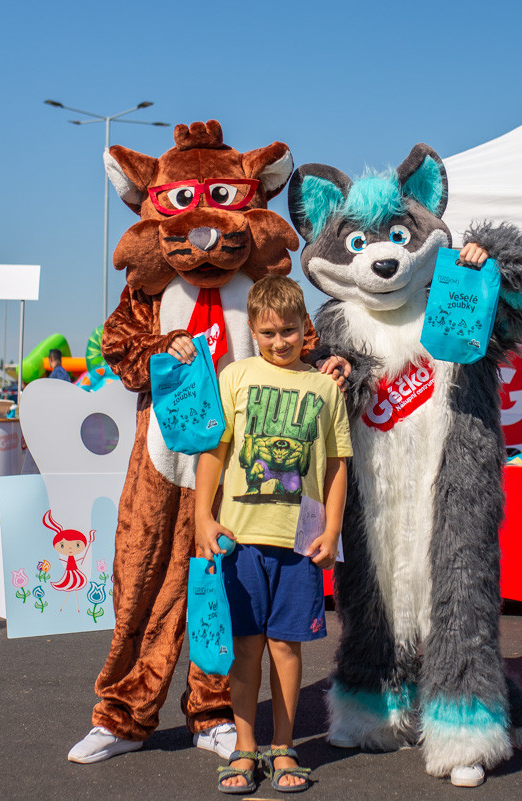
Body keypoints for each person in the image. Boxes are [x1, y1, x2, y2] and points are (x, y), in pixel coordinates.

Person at [195, 276, 351, 793]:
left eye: (288, 330)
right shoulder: (235, 376)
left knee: (286, 648)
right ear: (252, 331)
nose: (279, 341)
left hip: (299, 545)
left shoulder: (325, 388)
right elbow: (214, 451)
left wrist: (332, 528)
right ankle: (245, 747)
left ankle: (284, 747)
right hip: (238, 542)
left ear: (306, 328)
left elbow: (336, 465)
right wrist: (201, 516)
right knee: (245, 650)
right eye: (268, 333)